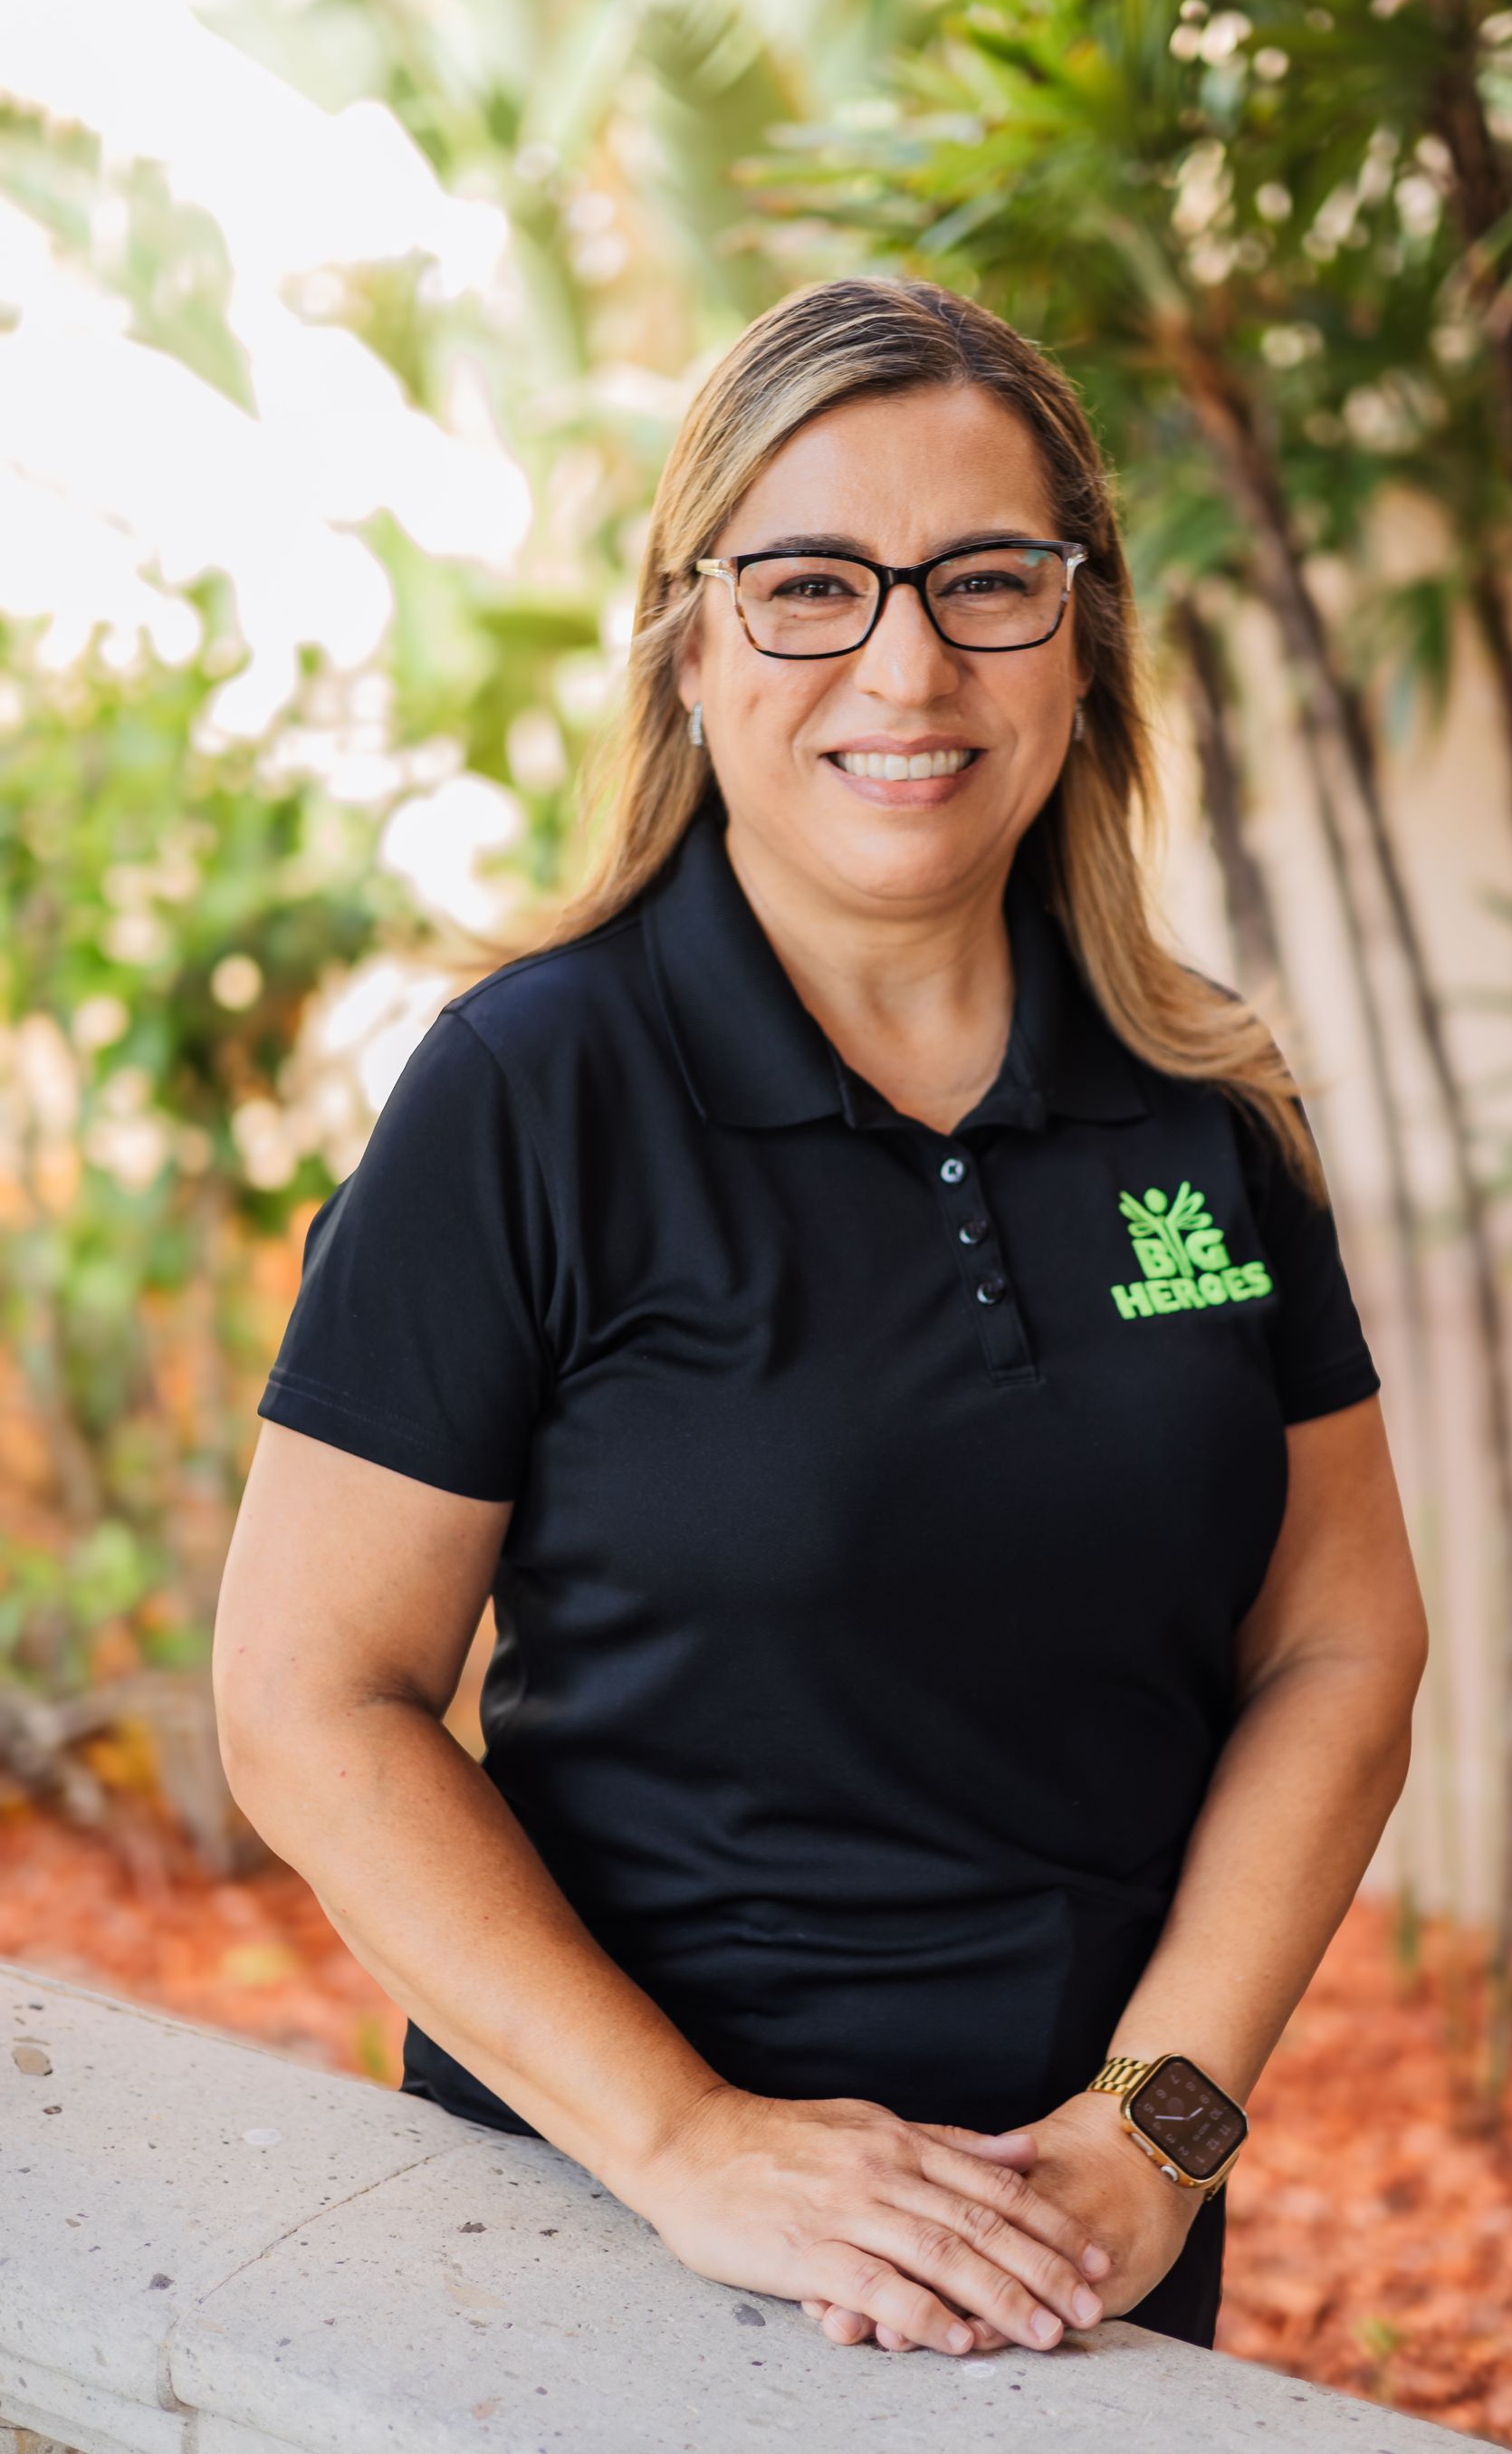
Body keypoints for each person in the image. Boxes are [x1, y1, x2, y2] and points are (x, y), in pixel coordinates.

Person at [214, 273, 1427, 2361]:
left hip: (1086, 2250)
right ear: (691, 644)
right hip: (608, 2233)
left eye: (986, 580)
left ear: (1085, 636)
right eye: (809, 586)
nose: (907, 662)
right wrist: (689, 2141)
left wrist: (1161, 2132)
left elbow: (1341, 1642)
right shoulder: (531, 1090)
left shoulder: (1208, 1103)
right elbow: (310, 1699)